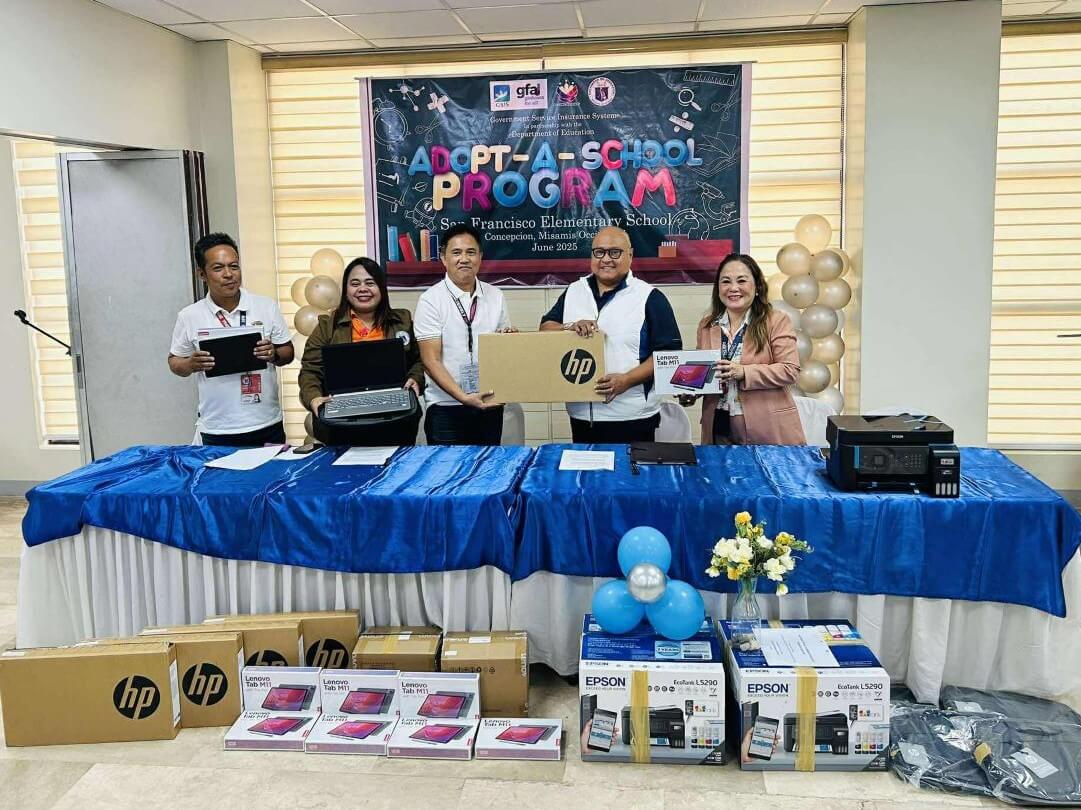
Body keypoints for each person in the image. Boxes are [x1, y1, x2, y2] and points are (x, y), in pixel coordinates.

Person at [540, 226, 682, 443]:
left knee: (633, 477)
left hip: (633, 417)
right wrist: (569, 327)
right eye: (599, 252)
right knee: (587, 477)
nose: (606, 259)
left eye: (615, 252)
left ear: (630, 255)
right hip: (581, 417)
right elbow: (546, 328)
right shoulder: (574, 291)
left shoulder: (650, 297)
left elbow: (668, 355)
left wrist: (627, 380)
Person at [169, 232, 294, 446]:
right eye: (218, 268)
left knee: (269, 480)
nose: (228, 274)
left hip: (266, 423)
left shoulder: (265, 306)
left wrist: (273, 353)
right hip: (218, 427)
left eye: (234, 266)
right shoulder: (190, 316)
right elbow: (174, 361)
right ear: (202, 274)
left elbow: (288, 352)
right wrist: (190, 364)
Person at [298, 257, 424, 445]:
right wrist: (314, 397)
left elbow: (420, 360)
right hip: (343, 417)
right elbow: (310, 370)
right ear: (346, 290)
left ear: (381, 288)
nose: (362, 289)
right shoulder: (327, 326)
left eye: (370, 283)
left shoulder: (402, 321)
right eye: (355, 283)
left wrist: (416, 378)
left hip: (393, 413)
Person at [684, 253, 805, 445]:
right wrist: (691, 391)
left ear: (756, 286)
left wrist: (744, 372)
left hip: (768, 427)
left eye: (741, 280)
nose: (733, 288)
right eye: (725, 281)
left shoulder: (776, 320)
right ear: (718, 289)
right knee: (719, 475)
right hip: (718, 426)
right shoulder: (707, 326)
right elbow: (705, 372)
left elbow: (790, 370)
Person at [414, 223, 515, 445]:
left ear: (480, 257)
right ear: (443, 258)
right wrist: (463, 397)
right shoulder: (430, 300)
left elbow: (503, 350)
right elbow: (431, 360)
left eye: (471, 252)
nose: (464, 259)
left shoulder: (496, 296)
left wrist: (510, 341)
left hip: (488, 403)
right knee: (449, 476)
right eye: (456, 252)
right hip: (446, 407)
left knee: (487, 472)